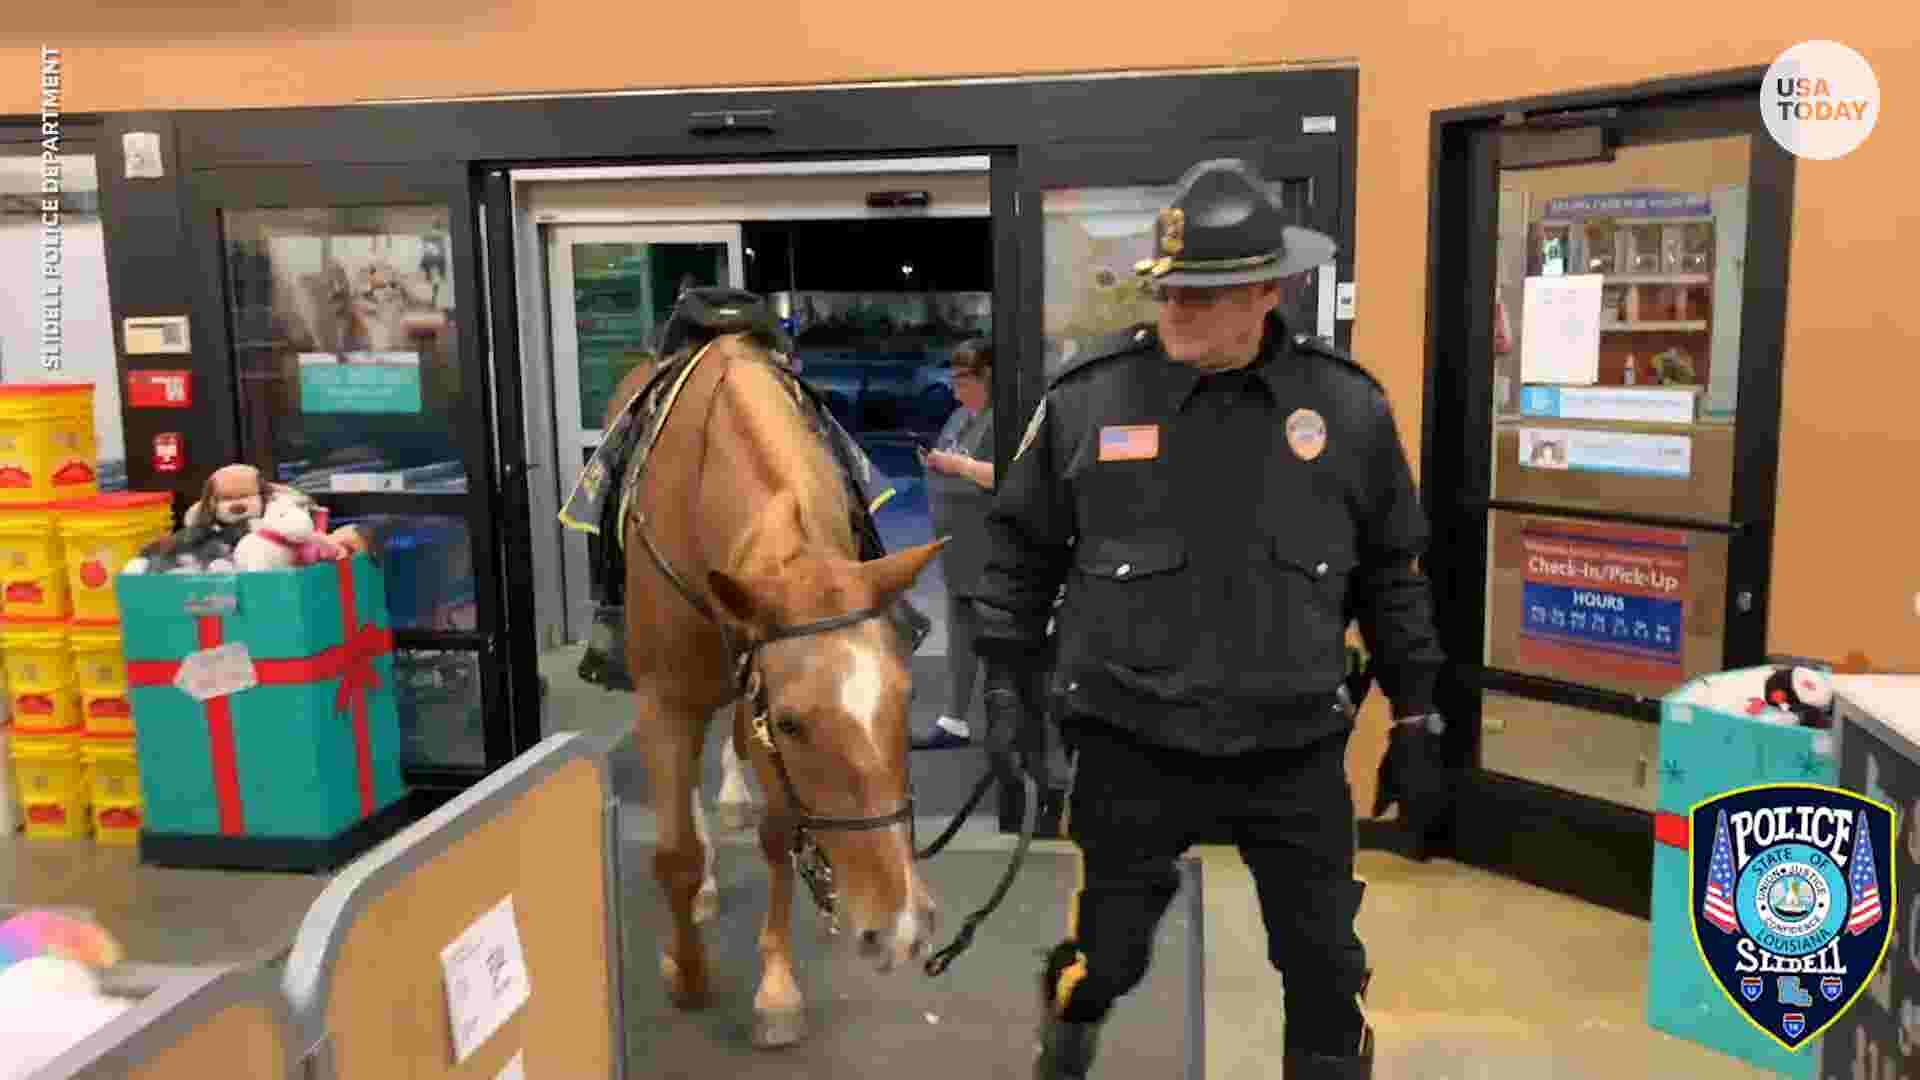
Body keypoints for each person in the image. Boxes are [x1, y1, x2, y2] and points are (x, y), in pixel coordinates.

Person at [966, 158, 1455, 1079]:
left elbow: (1392, 573)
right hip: (1131, 741)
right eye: (1168, 288)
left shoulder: (1346, 409)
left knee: (1325, 967)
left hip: (1292, 748)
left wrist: (1418, 713)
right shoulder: (1090, 400)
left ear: (1269, 291)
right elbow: (1022, 553)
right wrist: (1003, 685)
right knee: (1108, 958)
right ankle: (1066, 1035)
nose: (1176, 309)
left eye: (1203, 293)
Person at [913, 339, 997, 750]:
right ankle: (954, 719)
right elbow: (949, 459)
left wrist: (956, 465)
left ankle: (1010, 728)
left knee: (998, 640)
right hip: (957, 547)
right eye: (954, 379)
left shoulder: (1006, 418)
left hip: (991, 548)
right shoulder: (960, 417)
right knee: (960, 632)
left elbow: (1008, 475)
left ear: (988, 376)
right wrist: (936, 463)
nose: (956, 389)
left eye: (963, 379)